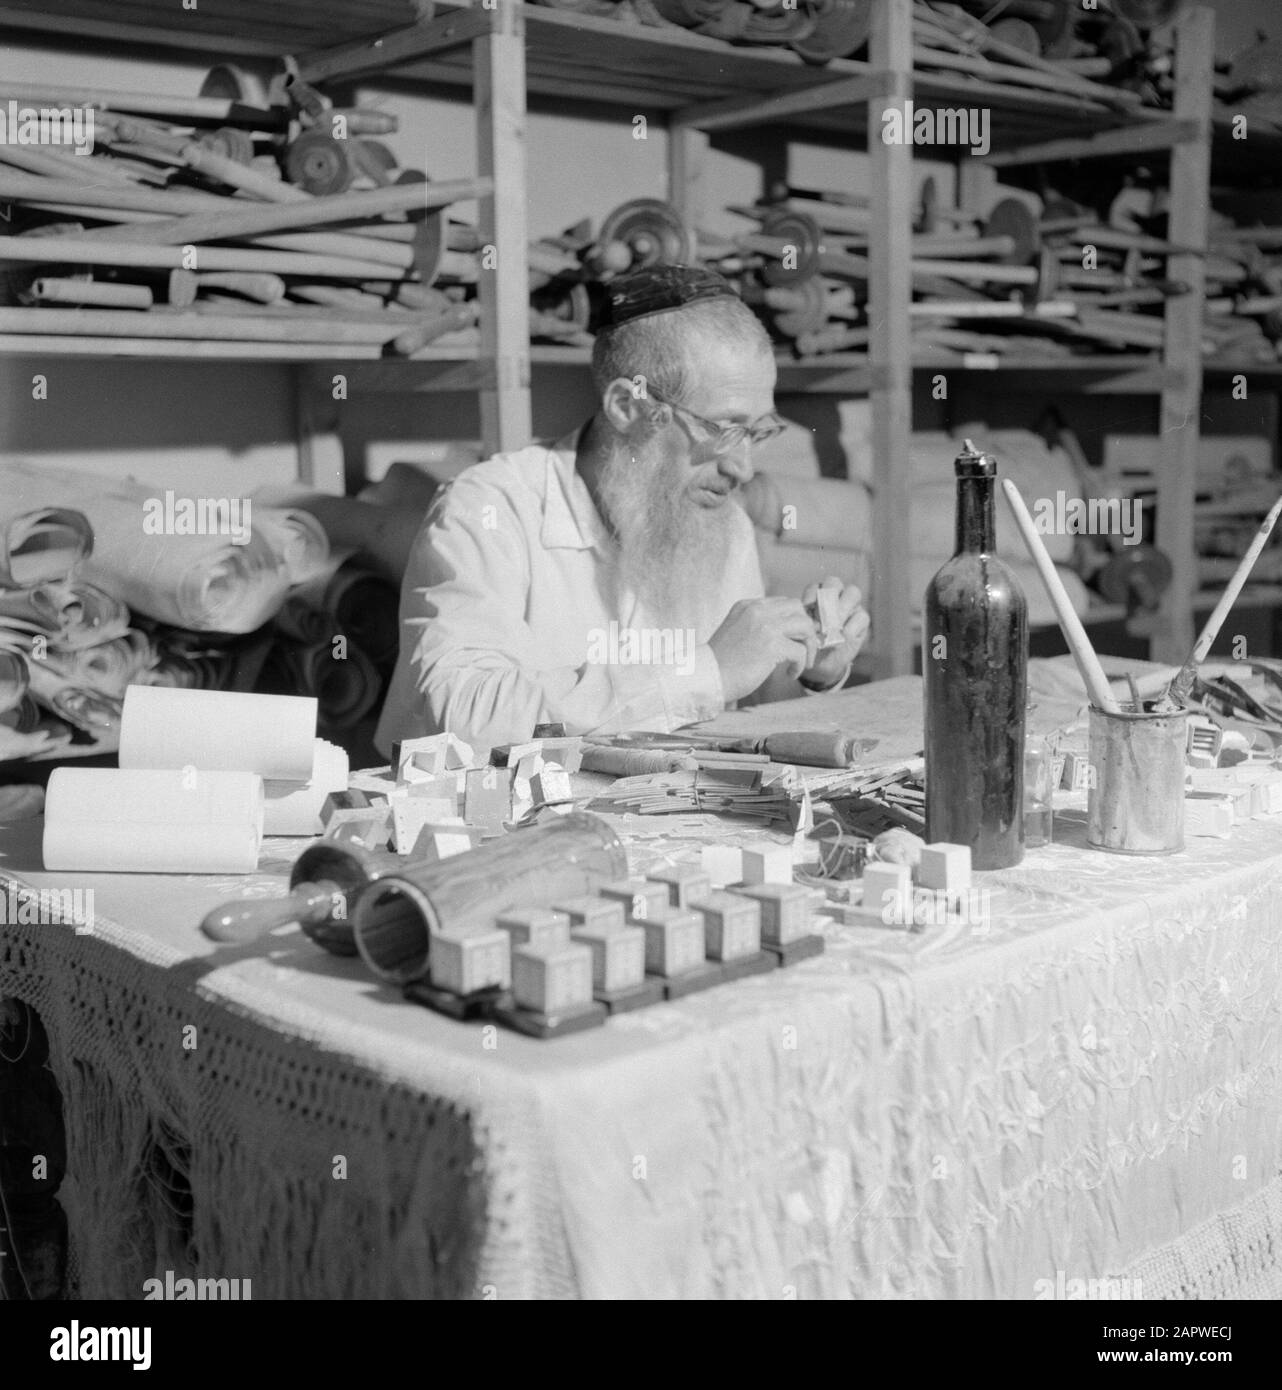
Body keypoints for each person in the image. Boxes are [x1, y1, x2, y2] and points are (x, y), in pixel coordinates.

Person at [375, 265, 870, 757]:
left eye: (758, 431)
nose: (743, 468)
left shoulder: (721, 520)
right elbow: (457, 715)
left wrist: (809, 668)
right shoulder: (491, 508)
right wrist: (702, 670)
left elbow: (741, 707)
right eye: (724, 429)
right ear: (627, 407)